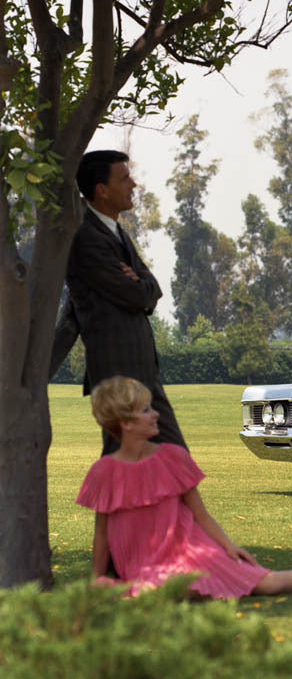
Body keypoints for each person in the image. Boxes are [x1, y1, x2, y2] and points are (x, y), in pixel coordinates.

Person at [77, 376, 292, 598]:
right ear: (125, 423)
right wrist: (97, 579)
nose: (155, 414)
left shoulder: (172, 457)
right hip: (144, 569)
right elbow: (102, 533)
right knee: (151, 595)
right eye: (144, 411)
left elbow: (200, 515)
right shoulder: (103, 472)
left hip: (188, 556)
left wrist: (229, 547)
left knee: (269, 583)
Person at [50, 149, 185, 456]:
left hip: (141, 371)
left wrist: (141, 282)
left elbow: (152, 289)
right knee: (128, 460)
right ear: (102, 190)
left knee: (171, 458)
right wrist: (141, 284)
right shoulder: (87, 238)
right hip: (118, 373)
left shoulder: (113, 230)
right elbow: (137, 295)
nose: (133, 185)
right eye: (124, 179)